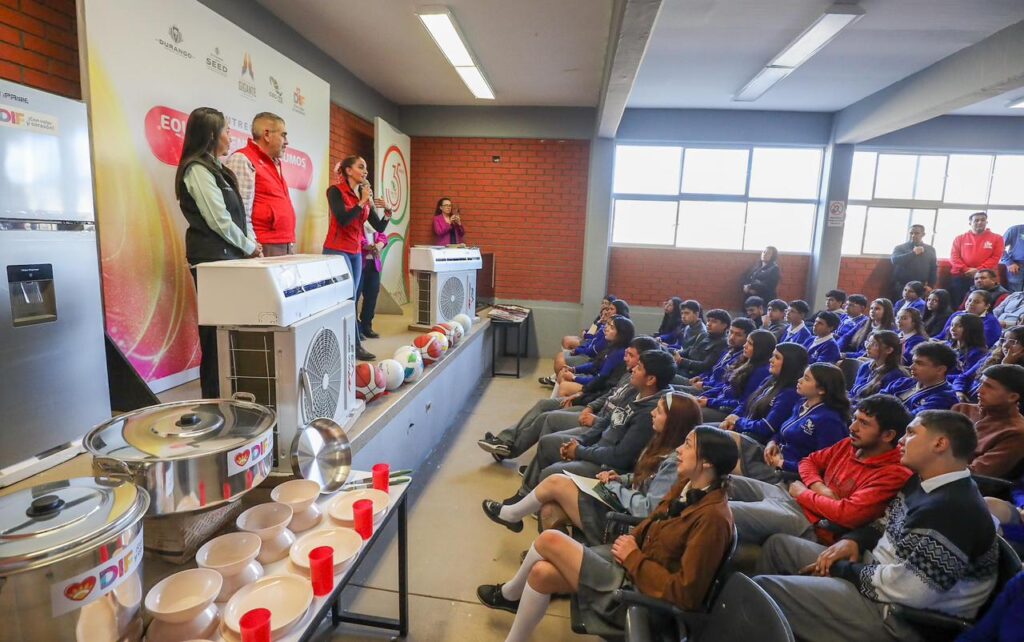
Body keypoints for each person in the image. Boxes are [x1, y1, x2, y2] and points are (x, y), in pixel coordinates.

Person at [753, 410, 998, 642]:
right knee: (778, 547)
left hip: (897, 617)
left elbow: (911, 590)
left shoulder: (953, 509)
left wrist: (844, 570)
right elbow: (886, 522)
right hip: (877, 574)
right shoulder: (923, 480)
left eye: (911, 433)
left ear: (940, 444)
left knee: (765, 591)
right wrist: (855, 540)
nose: (901, 440)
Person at [476, 427, 737, 638]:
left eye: (689, 445)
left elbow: (686, 595)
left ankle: (510, 594)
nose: (679, 449)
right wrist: (633, 542)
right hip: (633, 566)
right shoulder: (688, 485)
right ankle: (512, 615)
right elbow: (655, 520)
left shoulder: (713, 520)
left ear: (706, 463)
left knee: (550, 540)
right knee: (540, 574)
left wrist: (634, 557)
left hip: (644, 593)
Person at [481, 391, 699, 544]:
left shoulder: (674, 460)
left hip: (627, 524)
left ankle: (512, 516)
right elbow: (644, 478)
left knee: (556, 480)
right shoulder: (659, 441)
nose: (653, 413)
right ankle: (551, 556)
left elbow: (648, 509)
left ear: (673, 422)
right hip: (621, 501)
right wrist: (620, 479)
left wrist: (615, 489)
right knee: (549, 509)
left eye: (659, 412)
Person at [727, 394, 912, 546]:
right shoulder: (850, 444)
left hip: (813, 523)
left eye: (864, 423)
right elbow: (809, 462)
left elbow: (846, 514)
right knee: (727, 482)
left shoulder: (894, 473)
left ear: (888, 435)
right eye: (855, 419)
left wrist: (802, 493)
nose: (852, 427)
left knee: (725, 511)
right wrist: (819, 488)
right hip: (796, 496)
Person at [505, 350, 675, 499]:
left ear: (651, 379)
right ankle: (525, 494)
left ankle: (533, 502)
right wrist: (581, 442)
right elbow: (606, 422)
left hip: (607, 466)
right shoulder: (635, 392)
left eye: (639, 368)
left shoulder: (649, 413)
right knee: (547, 443)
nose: (632, 369)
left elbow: (620, 457)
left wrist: (579, 451)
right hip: (596, 446)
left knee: (551, 472)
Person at [174, 107, 261, 398]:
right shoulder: (196, 168)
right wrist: (248, 247)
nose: (230, 136)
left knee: (232, 332)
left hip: (230, 259)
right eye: (226, 130)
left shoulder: (219, 169)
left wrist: (251, 243)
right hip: (212, 261)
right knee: (214, 335)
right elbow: (218, 218)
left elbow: (239, 214)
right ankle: (212, 400)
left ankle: (232, 393)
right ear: (212, 134)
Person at [480, 337, 661, 460]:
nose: (626, 357)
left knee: (548, 416)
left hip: (595, 412)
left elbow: (604, 390)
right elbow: (608, 391)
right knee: (544, 404)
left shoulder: (637, 382)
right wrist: (585, 397)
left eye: (631, 355)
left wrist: (581, 393)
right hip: (592, 402)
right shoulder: (627, 370)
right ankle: (507, 441)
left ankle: (511, 450)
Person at [733, 363, 851, 483]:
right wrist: (773, 442)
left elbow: (823, 466)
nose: (799, 380)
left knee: (727, 465)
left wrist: (783, 464)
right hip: (775, 455)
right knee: (728, 437)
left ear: (821, 390)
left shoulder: (830, 421)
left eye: (806, 379)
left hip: (788, 473)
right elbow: (782, 431)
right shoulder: (801, 403)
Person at [325, 155, 393, 361]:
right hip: (337, 250)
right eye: (361, 167)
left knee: (352, 299)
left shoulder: (362, 195)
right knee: (343, 300)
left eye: (366, 168)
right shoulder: (335, 191)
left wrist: (388, 213)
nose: (365, 171)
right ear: (348, 170)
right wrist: (362, 201)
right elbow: (344, 220)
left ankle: (354, 344)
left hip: (355, 252)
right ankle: (347, 345)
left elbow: (378, 226)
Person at [223, 112, 296, 256]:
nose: (287, 142)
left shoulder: (275, 163)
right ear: (267, 135)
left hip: (283, 244)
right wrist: (252, 247)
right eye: (283, 135)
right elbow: (239, 212)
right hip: (263, 247)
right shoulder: (243, 159)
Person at [719, 342, 807, 445]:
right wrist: (732, 417)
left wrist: (738, 422)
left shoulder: (789, 393)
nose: (771, 360)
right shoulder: (769, 379)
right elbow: (746, 404)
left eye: (777, 357)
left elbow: (766, 427)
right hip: (742, 429)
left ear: (790, 364)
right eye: (772, 356)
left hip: (755, 441)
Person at [953, 364, 1024, 480]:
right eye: (981, 383)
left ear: (1012, 397)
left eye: (989, 387)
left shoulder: (1016, 432)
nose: (979, 390)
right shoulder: (961, 409)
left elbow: (976, 474)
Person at [699, 330, 776, 424]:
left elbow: (744, 403)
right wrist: (706, 397)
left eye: (750, 343)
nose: (745, 345)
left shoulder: (762, 372)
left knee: (687, 411)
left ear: (760, 348)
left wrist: (709, 402)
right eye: (746, 341)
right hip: (718, 402)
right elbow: (725, 386)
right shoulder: (748, 362)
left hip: (727, 411)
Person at [555, 316, 635, 399]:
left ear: (621, 334)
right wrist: (574, 369)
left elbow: (600, 380)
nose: (606, 329)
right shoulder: (612, 345)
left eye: (611, 328)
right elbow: (595, 364)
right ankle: (558, 403)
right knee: (563, 373)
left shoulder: (619, 353)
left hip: (599, 390)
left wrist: (574, 377)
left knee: (564, 385)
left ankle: (564, 406)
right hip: (594, 380)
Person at [675, 318, 754, 397]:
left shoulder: (742, 358)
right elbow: (714, 369)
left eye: (738, 335)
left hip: (709, 392)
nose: (732, 337)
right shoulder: (728, 350)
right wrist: (701, 377)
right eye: (731, 332)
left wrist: (704, 384)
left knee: (667, 393)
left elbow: (723, 384)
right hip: (703, 382)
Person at [882, 341, 959, 415]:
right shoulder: (903, 382)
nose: (911, 367)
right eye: (913, 362)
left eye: (919, 363)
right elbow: (877, 400)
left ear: (940, 369)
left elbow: (909, 420)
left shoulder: (945, 398)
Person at [949, 211, 1005, 306]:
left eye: (983, 220)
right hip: (961, 275)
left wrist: (978, 271)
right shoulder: (960, 238)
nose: (980, 222)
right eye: (976, 220)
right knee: (958, 303)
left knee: (982, 304)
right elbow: (954, 257)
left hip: (985, 278)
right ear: (970, 223)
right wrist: (966, 269)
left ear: (986, 222)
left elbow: (995, 257)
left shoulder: (997, 238)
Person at [850, 331, 907, 404]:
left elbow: (879, 404)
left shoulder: (896, 375)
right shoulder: (865, 366)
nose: (867, 347)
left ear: (889, 350)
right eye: (868, 343)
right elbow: (853, 392)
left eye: (874, 344)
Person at [674, 308, 729, 379]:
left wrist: (681, 361)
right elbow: (690, 350)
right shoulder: (704, 335)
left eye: (714, 322)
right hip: (684, 368)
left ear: (724, 325)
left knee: (663, 374)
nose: (709, 324)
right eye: (708, 320)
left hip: (694, 376)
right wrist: (675, 354)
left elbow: (705, 366)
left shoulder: (723, 343)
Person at [935, 290, 1002, 347]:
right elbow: (942, 335)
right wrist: (930, 341)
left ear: (987, 306)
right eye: (969, 300)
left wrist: (944, 344)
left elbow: (979, 344)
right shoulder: (957, 314)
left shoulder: (991, 322)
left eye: (976, 302)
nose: (971, 304)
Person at [890, 224, 937, 301]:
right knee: (900, 309)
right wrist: (913, 253)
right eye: (911, 233)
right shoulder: (900, 248)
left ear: (923, 234)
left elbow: (933, 268)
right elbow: (895, 260)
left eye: (917, 233)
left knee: (917, 310)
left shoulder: (930, 249)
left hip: (920, 287)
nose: (913, 235)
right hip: (902, 286)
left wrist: (930, 286)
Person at [947, 314, 990, 396]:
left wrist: (938, 376)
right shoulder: (948, 345)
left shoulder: (977, 352)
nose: (953, 329)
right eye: (952, 325)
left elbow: (967, 377)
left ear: (972, 329)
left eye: (959, 326)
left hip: (956, 388)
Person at [358, 221, 387, 338]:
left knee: (372, 295)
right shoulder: (357, 218)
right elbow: (356, 238)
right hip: (359, 262)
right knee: (355, 297)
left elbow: (382, 235)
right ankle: (356, 329)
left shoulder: (375, 221)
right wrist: (368, 246)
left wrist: (379, 245)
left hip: (373, 263)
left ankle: (367, 326)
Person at [1002, 221, 1024, 292]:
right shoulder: (1015, 229)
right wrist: (1009, 262)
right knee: (1014, 295)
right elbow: (999, 247)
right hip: (1017, 267)